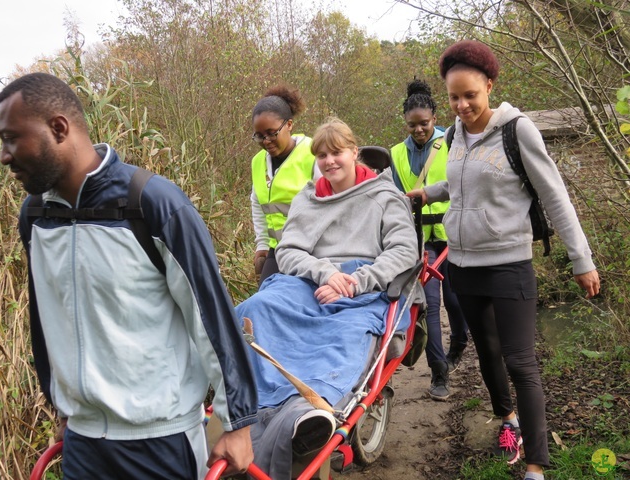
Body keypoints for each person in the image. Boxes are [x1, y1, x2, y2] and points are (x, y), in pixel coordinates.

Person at [0, 72, 258, 479]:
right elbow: (47, 319)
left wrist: (236, 421)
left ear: (58, 128)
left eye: (11, 138)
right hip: (83, 445)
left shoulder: (151, 204)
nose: (4, 156)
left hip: (159, 443)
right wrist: (64, 409)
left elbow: (210, 316)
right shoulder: (36, 216)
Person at [409, 41, 600, 480]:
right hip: (463, 266)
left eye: (470, 95)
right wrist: (427, 192)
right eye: (454, 97)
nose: (462, 105)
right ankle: (507, 421)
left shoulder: (517, 130)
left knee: (520, 360)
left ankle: (536, 463)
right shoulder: (455, 134)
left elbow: (554, 195)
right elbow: (460, 184)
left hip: (509, 264)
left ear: (490, 86)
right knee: (489, 352)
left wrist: (581, 259)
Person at [236, 118, 420, 478]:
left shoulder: (385, 197)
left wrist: (353, 281)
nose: (329, 161)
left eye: (336, 152)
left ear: (354, 152)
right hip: (311, 281)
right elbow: (289, 252)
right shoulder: (309, 197)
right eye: (321, 155)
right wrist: (326, 273)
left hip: (363, 286)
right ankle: (245, 402)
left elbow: (403, 251)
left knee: (347, 334)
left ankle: (311, 409)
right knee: (254, 309)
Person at [390, 78, 468, 401]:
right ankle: (439, 373)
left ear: (435, 118)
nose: (419, 130)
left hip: (453, 237)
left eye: (424, 124)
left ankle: (461, 340)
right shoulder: (396, 154)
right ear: (405, 124)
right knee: (430, 306)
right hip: (421, 241)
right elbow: (394, 197)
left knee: (454, 299)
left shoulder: (452, 142)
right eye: (413, 126)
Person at [250, 85, 320, 285]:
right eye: (259, 136)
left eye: (272, 133)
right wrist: (262, 245)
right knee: (265, 299)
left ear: (289, 125)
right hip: (278, 248)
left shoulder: (313, 153)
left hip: (312, 248)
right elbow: (258, 204)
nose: (266, 141)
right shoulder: (258, 162)